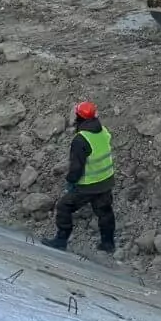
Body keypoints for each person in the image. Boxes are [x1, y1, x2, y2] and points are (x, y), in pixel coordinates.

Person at [41, 100, 116, 254]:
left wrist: (71, 182)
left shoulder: (81, 139)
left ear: (78, 117)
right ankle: (108, 244)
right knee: (105, 211)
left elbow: (77, 167)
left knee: (64, 207)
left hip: (89, 185)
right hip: (106, 180)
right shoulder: (103, 131)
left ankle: (61, 240)